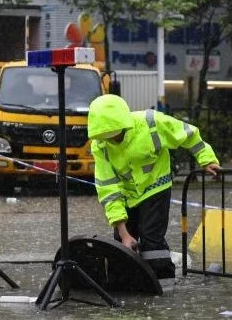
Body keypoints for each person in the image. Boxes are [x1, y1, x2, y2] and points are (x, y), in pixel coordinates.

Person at [87, 94, 221, 281]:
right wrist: (124, 234)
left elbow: (188, 134)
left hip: (155, 186)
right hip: (127, 194)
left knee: (151, 239)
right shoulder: (100, 144)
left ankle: (163, 282)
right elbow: (108, 190)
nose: (113, 140)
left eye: (116, 135)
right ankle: (127, 285)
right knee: (122, 244)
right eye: (108, 137)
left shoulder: (151, 123)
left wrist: (206, 160)